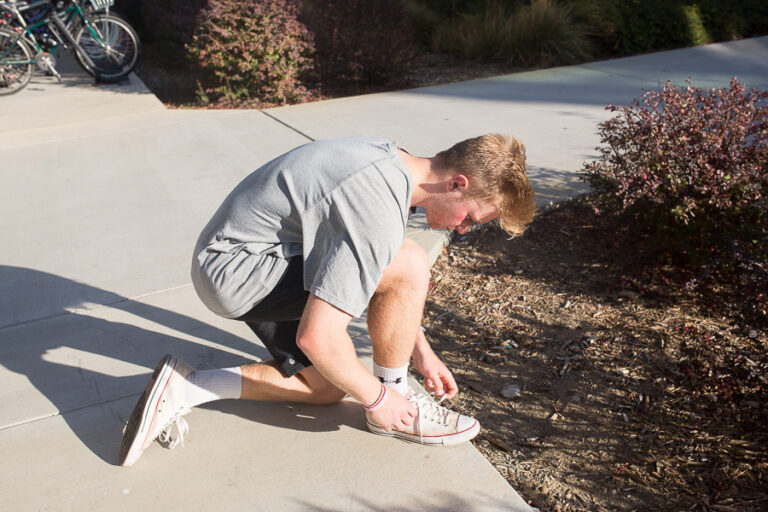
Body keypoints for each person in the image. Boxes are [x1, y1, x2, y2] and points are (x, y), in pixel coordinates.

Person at [120, 134, 535, 467]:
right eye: (470, 218)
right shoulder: (377, 204)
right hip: (239, 272)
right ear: (457, 184)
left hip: (242, 258)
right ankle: (399, 406)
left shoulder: (391, 163)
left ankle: (185, 387)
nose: (463, 230)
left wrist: (421, 353)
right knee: (410, 260)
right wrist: (379, 399)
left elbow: (378, 276)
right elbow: (318, 338)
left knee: (327, 388)